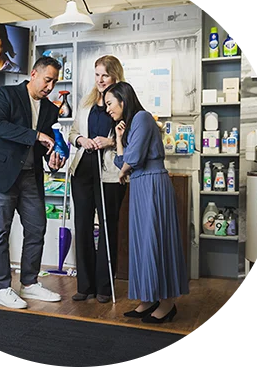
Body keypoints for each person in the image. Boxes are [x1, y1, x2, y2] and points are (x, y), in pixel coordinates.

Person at [0, 56, 66, 309]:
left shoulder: (49, 108)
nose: (50, 87)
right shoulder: (6, 94)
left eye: (54, 82)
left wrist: (53, 159)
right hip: (0, 175)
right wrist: (35, 134)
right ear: (34, 74)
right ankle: (1, 288)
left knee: (37, 228)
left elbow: (45, 145)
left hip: (30, 177)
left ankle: (29, 283)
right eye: (47, 80)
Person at [103, 81, 189, 323]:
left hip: (152, 183)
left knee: (156, 240)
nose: (108, 108)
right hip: (141, 184)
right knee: (142, 242)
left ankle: (168, 302)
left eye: (110, 103)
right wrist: (119, 139)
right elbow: (123, 163)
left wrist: (124, 167)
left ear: (123, 100)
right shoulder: (130, 125)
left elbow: (132, 159)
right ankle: (149, 299)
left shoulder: (142, 117)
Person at [68, 55, 127, 304]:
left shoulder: (123, 102)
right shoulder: (86, 103)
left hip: (110, 174)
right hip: (82, 170)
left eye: (105, 75)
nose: (100, 80)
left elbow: (132, 135)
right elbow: (72, 132)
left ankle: (104, 286)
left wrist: (111, 141)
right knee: (82, 226)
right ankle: (85, 285)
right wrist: (80, 140)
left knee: (107, 227)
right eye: (97, 75)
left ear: (115, 76)